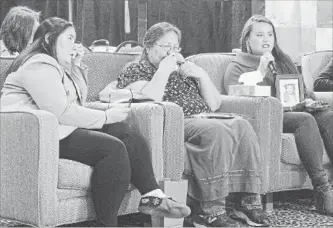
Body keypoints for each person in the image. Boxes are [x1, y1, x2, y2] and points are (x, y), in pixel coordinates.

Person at [0, 17, 190, 227]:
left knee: (125, 133)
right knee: (113, 149)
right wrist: (106, 116)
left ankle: (152, 197)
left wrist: (76, 65)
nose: (76, 44)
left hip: (56, 128)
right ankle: (106, 224)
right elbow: (62, 111)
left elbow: (78, 100)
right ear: (48, 38)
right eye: (70, 38)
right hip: (34, 134)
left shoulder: (54, 65)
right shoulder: (38, 64)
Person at [111, 22, 270, 227]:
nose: (171, 52)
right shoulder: (137, 69)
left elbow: (215, 104)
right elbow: (149, 100)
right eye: (165, 46)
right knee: (216, 130)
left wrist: (201, 75)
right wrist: (164, 71)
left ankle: (248, 201)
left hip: (204, 117)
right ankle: (212, 210)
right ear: (149, 46)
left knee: (243, 125)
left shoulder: (184, 70)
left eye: (175, 47)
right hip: (175, 122)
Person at [224, 14, 333, 216]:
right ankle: (322, 188)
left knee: (327, 116)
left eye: (270, 34)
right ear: (247, 39)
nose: (266, 39)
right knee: (305, 120)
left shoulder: (283, 60)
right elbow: (237, 97)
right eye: (259, 35)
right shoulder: (237, 65)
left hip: (296, 111)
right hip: (270, 119)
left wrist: (308, 100)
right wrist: (262, 70)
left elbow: (301, 89)